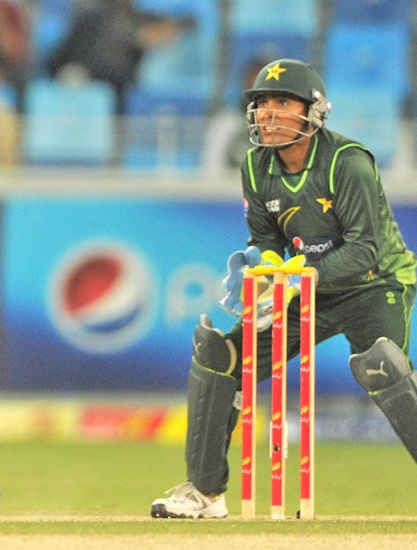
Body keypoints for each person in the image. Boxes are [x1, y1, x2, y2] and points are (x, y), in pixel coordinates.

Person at [151, 58, 417, 519]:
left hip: (374, 285)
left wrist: (293, 278)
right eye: (261, 103)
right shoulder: (255, 166)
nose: (269, 113)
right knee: (219, 355)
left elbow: (364, 252)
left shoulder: (346, 162)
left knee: (383, 365)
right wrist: (261, 270)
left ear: (313, 112)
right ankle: (204, 493)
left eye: (282, 102)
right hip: (306, 288)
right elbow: (268, 240)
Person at [46, 0, 194, 117]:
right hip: (83, 76)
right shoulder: (93, 2)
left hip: (120, 89)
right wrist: (138, 37)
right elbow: (106, 30)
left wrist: (168, 28)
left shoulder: (136, 15)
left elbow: (189, 20)